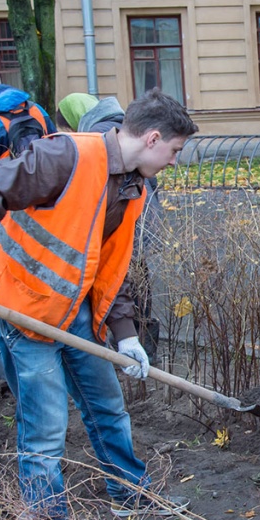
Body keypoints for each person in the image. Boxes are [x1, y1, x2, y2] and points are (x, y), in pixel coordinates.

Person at [0, 88, 198, 520]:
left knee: (108, 407)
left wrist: (126, 336)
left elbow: (109, 268)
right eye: (174, 151)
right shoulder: (65, 156)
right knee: (45, 429)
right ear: (153, 139)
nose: (174, 161)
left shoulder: (132, 188)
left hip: (73, 312)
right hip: (21, 310)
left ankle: (130, 495)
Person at [57, 92, 163, 360]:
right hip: (142, 217)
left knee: (118, 276)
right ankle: (142, 343)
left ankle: (128, 342)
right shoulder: (123, 126)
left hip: (123, 218)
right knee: (136, 277)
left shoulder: (94, 140)